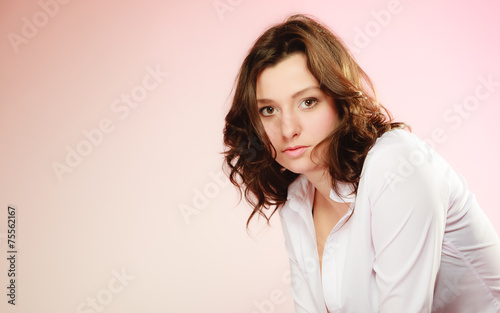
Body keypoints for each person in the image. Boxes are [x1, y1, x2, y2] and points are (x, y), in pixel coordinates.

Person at [222, 14, 500, 313]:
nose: (287, 129)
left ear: (340, 100)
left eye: (308, 102)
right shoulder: (299, 198)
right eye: (268, 110)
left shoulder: (396, 165)